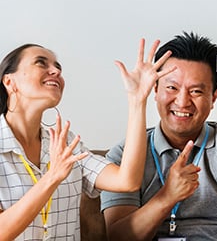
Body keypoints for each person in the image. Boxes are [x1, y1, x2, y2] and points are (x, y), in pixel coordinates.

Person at [101, 32, 217, 240]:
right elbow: (118, 237)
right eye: (172, 87)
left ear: (214, 97)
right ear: (155, 90)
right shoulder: (124, 155)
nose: (183, 101)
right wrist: (166, 197)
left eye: (196, 91)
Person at [0, 39, 173, 241]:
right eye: (41, 63)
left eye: (58, 67)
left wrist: (137, 100)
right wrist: (51, 177)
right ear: (9, 82)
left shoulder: (66, 144)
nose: (55, 71)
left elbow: (127, 180)